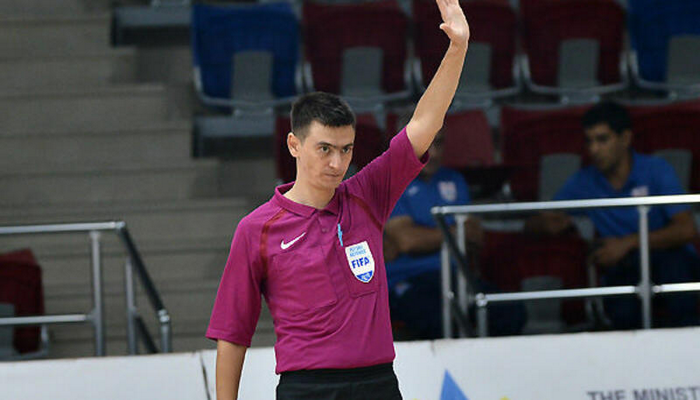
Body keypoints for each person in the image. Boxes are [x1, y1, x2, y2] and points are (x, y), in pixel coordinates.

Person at [205, 1, 470, 399]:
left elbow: (423, 123)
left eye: (346, 150)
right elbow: (232, 333)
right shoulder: (256, 229)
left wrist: (458, 48)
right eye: (325, 149)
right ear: (294, 144)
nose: (337, 163)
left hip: (378, 384)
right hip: (306, 389)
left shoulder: (367, 195)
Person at [526, 101, 700, 329]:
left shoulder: (657, 170)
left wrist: (626, 243)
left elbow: (687, 230)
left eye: (602, 139)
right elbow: (532, 224)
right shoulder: (584, 181)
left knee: (678, 280)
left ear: (625, 138)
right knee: (621, 309)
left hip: (670, 259)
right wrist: (546, 224)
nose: (593, 149)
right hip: (623, 266)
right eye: (589, 141)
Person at [384, 127, 525, 339]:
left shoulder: (454, 179)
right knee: (440, 319)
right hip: (407, 279)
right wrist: (456, 232)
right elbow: (408, 242)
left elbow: (475, 236)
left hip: (455, 276)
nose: (433, 153)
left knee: (511, 312)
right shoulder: (387, 182)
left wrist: (426, 236)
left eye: (438, 143)